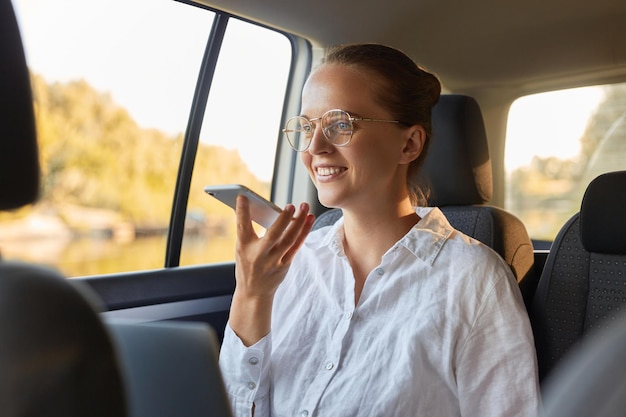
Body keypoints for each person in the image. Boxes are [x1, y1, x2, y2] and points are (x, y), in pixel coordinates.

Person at [219, 43, 541, 416]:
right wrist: (250, 296)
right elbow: (234, 408)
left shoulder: (475, 280)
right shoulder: (289, 266)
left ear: (409, 144)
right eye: (308, 127)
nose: (316, 147)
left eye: (341, 124)